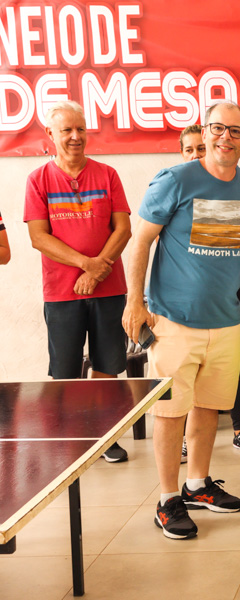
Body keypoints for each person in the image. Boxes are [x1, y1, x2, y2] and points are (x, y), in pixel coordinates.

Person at [123, 100, 240, 539]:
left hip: (226, 322)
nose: (225, 138)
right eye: (217, 128)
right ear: (205, 131)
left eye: (235, 131)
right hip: (174, 322)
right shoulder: (175, 179)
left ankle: (197, 484)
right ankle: (167, 500)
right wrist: (135, 302)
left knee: (207, 407)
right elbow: (141, 241)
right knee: (169, 413)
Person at [24, 100, 131, 463]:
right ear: (50, 134)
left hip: (110, 289)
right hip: (61, 292)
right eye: (66, 130)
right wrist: (87, 265)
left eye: (80, 129)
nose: (75, 136)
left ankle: (103, 437)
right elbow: (39, 237)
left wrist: (98, 271)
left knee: (108, 364)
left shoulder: (108, 174)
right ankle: (72, 437)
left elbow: (123, 229)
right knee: (66, 370)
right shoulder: (38, 179)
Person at [175, 125, 240, 462]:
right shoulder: (175, 187)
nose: (195, 155)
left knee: (233, 359)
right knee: (187, 365)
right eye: (189, 150)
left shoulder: (238, 187)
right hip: (187, 296)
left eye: (200, 148)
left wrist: (222, 259)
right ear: (181, 153)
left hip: (230, 289)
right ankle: (186, 437)